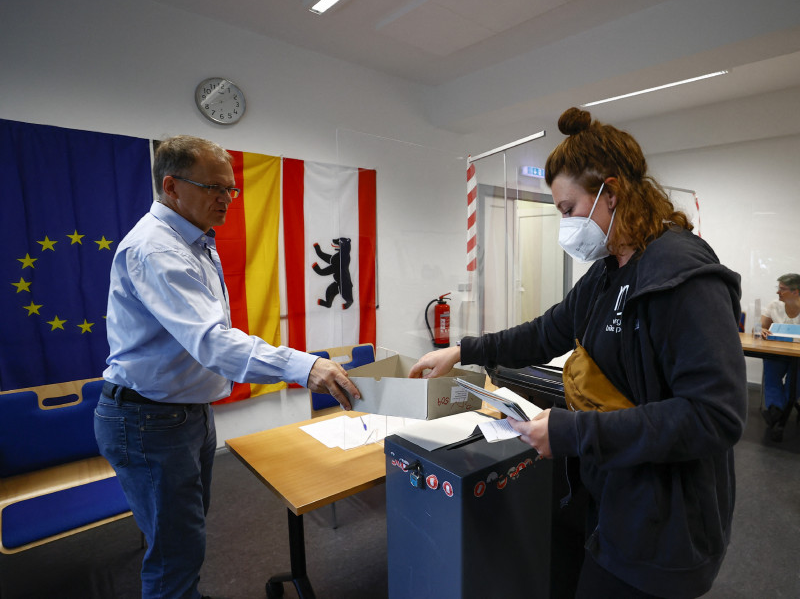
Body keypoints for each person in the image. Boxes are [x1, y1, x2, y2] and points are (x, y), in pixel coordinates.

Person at [409, 108, 747, 598]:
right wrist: (462, 349)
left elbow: (714, 417)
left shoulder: (681, 278)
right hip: (611, 495)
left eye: (568, 209)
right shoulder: (607, 272)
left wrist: (573, 430)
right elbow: (545, 332)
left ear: (611, 193)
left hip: (666, 522)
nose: (565, 225)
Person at [94, 135, 361, 599]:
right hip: (149, 418)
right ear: (172, 186)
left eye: (232, 190)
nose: (227, 200)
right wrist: (303, 366)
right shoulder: (157, 250)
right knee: (173, 551)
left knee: (187, 535)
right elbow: (213, 343)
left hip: (185, 410)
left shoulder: (193, 238)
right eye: (216, 188)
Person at [760, 273, 800, 432]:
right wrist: (761, 330)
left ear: (796, 292)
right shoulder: (774, 306)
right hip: (778, 353)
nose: (778, 292)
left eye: (782, 289)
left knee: (796, 379)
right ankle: (778, 412)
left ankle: (775, 411)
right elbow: (759, 327)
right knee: (771, 374)